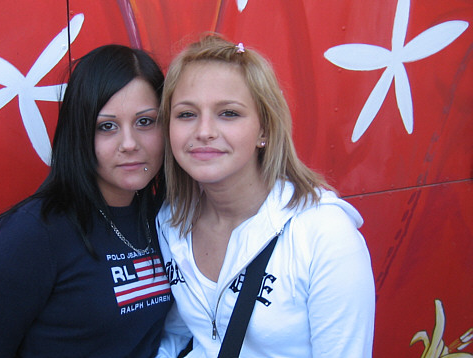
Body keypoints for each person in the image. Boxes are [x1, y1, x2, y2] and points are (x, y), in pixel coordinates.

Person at [155, 34, 375, 357]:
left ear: (264, 130)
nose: (203, 131)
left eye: (228, 113)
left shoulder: (325, 236)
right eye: (186, 114)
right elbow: (182, 332)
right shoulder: (171, 222)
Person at [0, 44, 172, 358]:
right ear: (80, 134)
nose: (129, 144)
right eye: (107, 126)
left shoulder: (166, 218)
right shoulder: (35, 233)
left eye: (145, 122)